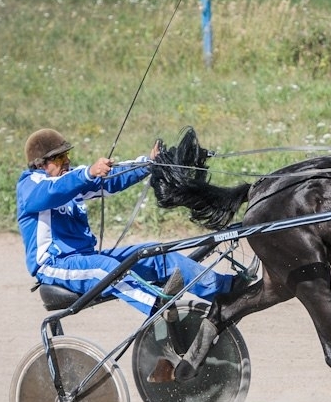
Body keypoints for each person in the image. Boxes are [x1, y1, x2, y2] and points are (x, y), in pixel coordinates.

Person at [16, 128, 237, 315]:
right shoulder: (31, 185)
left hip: (85, 258)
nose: (67, 161)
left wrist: (149, 163)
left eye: (66, 156)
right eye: (60, 158)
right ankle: (157, 309)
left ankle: (226, 289)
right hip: (54, 266)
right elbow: (52, 192)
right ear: (40, 164)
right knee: (109, 269)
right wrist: (88, 173)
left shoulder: (69, 180)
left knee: (156, 253)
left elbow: (112, 180)